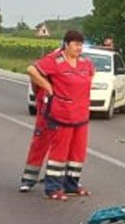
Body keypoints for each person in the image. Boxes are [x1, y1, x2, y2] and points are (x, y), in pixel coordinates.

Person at [26, 30, 95, 200]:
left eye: (81, 44)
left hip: (81, 114)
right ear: (66, 44)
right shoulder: (56, 61)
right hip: (62, 114)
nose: (79, 48)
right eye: (75, 44)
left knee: (77, 153)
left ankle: (71, 185)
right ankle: (53, 188)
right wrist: (48, 87)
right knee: (59, 152)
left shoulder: (86, 63)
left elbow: (91, 77)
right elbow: (32, 70)